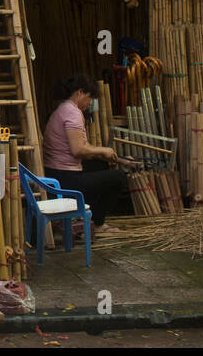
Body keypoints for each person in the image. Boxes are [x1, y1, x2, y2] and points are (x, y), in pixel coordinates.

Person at [42, 73, 139, 236]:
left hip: (55, 173)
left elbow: (83, 148)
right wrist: (103, 150)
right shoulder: (72, 113)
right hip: (64, 178)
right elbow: (78, 150)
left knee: (100, 166)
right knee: (118, 178)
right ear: (80, 93)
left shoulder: (63, 108)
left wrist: (118, 158)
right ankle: (98, 223)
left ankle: (87, 218)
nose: (90, 103)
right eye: (89, 98)